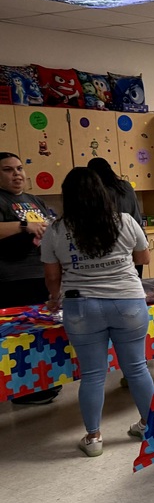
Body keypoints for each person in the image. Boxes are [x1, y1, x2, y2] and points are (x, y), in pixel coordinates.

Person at [40, 168, 154, 456]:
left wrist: (54, 299)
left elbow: (52, 276)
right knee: (137, 367)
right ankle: (149, 425)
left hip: (81, 306)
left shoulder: (56, 229)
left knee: (92, 375)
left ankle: (93, 438)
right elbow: (143, 257)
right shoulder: (125, 221)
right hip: (127, 301)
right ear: (103, 193)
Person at [0, 151, 61, 405]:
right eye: (8, 170)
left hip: (40, 273)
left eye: (20, 168)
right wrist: (23, 226)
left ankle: (45, 383)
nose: (17, 174)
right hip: (11, 278)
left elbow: (51, 223)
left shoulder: (34, 199)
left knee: (42, 332)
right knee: (18, 337)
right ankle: (23, 390)